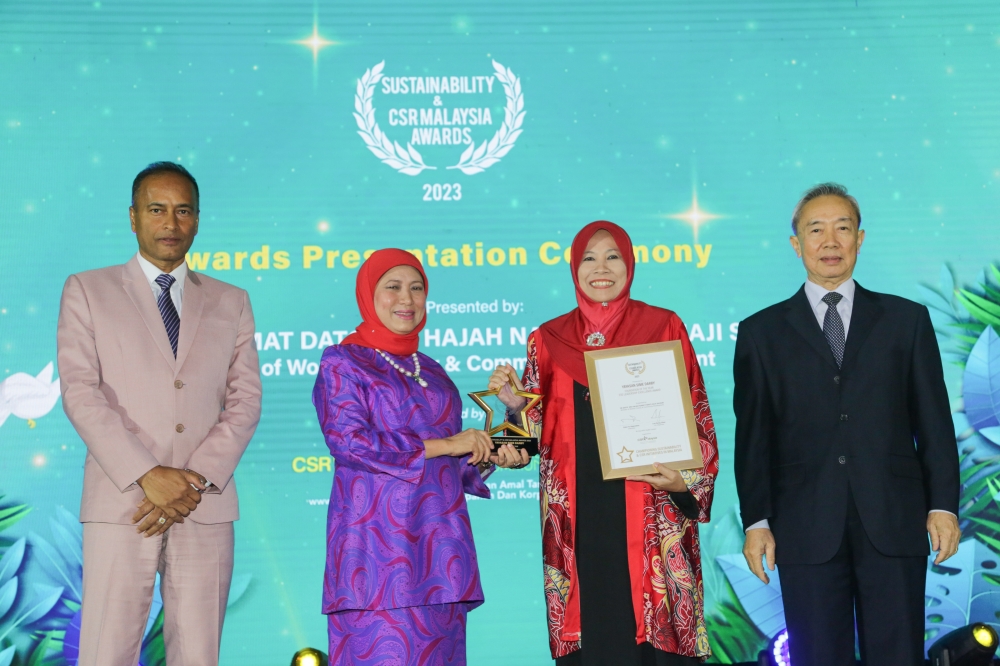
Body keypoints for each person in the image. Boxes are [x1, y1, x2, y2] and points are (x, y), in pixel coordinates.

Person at [733, 183, 961, 666]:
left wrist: (943, 506)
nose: (830, 241)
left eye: (842, 228)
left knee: (898, 655)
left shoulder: (906, 320)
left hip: (893, 519)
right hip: (805, 524)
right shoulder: (762, 333)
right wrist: (756, 520)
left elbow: (934, 422)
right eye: (816, 230)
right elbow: (753, 438)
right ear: (797, 245)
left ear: (860, 239)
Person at [57, 161, 262, 666]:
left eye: (183, 210)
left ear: (197, 220)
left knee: (198, 655)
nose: (170, 223)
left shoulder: (231, 301)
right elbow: (81, 393)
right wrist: (149, 475)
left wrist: (192, 480)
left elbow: (245, 400)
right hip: (122, 499)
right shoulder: (88, 290)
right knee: (107, 651)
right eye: (156, 209)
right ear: (132, 218)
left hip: (204, 504)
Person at [488, 221, 719, 665]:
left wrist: (682, 481)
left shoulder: (663, 326)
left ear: (630, 265)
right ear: (574, 268)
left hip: (651, 512)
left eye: (613, 256)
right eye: (589, 258)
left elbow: (697, 416)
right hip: (579, 524)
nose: (601, 268)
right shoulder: (547, 339)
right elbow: (529, 440)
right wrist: (514, 407)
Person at [312, 248, 528, 666]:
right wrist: (451, 444)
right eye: (392, 287)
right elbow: (349, 442)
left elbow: (459, 468)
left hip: (441, 554)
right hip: (376, 560)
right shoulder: (343, 361)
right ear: (368, 295)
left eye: (417, 288)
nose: (406, 299)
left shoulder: (430, 368)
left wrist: (512, 417)